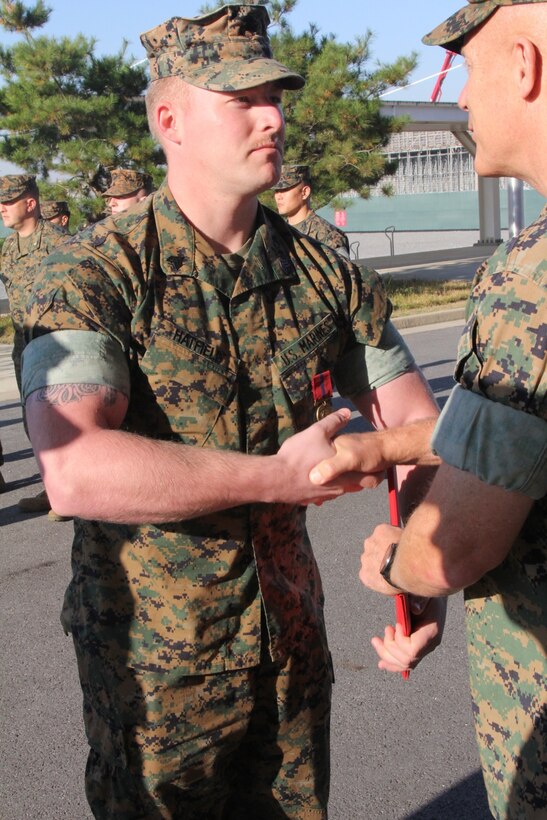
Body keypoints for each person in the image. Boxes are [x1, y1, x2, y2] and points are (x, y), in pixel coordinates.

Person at [21, 5, 443, 817]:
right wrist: (273, 478)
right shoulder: (94, 276)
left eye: (275, 95)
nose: (274, 116)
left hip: (290, 646)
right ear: (169, 118)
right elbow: (75, 468)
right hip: (155, 668)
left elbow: (417, 431)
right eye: (242, 98)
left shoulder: (326, 275)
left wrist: (421, 572)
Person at [310, 2, 547, 817]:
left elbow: (457, 547)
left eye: (471, 74)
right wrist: (388, 448)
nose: (463, 104)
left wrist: (395, 565)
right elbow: (523, 430)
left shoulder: (536, 273)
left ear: (524, 67)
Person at [0, 174, 66, 517]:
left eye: (8, 201)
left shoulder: (58, 242)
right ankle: (55, 488)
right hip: (23, 346)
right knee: (33, 420)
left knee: (63, 418)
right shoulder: (9, 247)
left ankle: (69, 492)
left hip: (55, 344)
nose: (2, 209)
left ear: (31, 203)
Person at [273, 164, 351, 258]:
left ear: (305, 192)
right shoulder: (275, 232)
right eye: (276, 190)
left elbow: (345, 271)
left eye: (285, 189)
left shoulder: (328, 236)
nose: (278, 196)